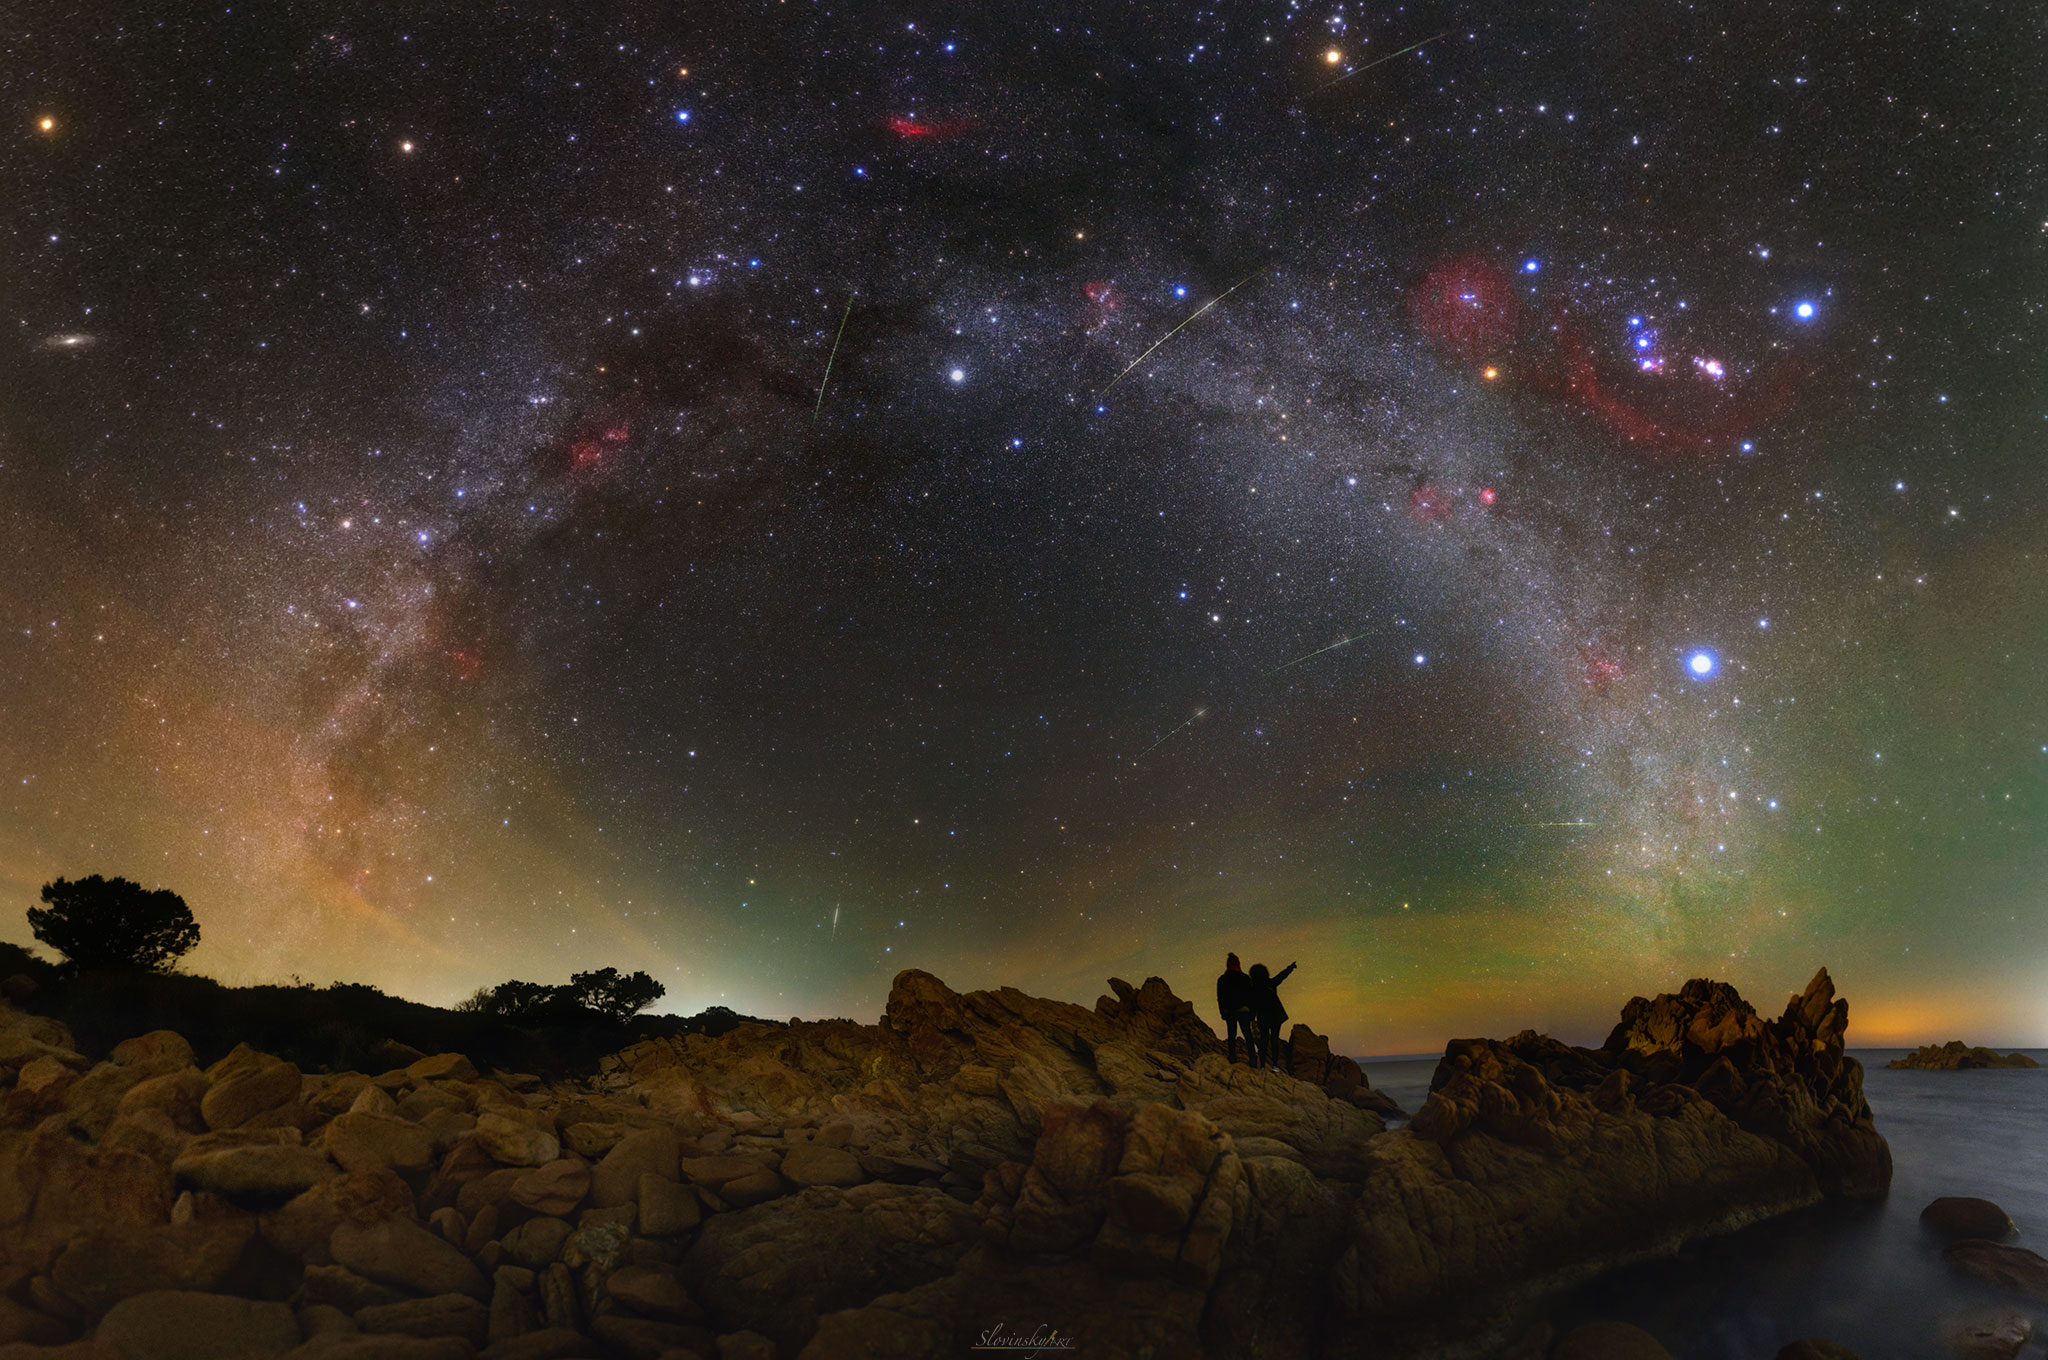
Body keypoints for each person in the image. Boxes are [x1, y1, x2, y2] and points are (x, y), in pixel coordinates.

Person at [1246, 961, 1297, 1071]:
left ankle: (1263, 1066)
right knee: (1274, 1040)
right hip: (1275, 1016)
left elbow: (1253, 1005)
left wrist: (1251, 1017)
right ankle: (1274, 1065)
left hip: (1263, 1017)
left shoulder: (1253, 989)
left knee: (1264, 1041)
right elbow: (1282, 976)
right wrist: (1291, 967)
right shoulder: (1271, 983)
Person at [1215, 953, 1256, 1064]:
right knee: (1248, 1035)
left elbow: (1220, 997)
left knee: (1231, 1035)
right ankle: (1253, 1060)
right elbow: (1251, 996)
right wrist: (1253, 1012)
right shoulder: (1245, 978)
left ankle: (1232, 1058)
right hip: (1244, 1011)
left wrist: (1223, 1012)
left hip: (1230, 1011)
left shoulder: (1223, 979)